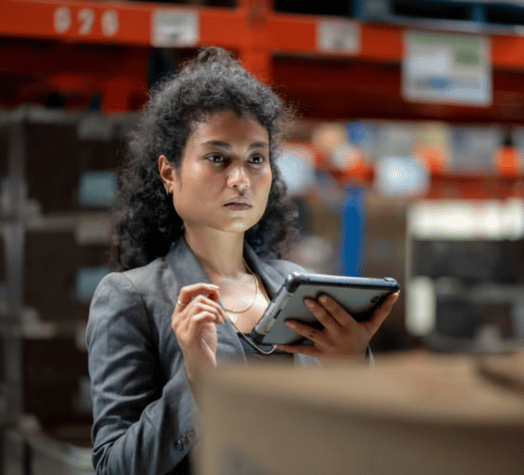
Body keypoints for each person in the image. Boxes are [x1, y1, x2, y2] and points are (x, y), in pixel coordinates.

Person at [86, 46, 399, 475]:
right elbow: (113, 467)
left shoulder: (299, 286)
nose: (240, 179)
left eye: (256, 159)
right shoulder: (131, 298)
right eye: (218, 158)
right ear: (169, 173)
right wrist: (196, 384)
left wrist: (352, 369)